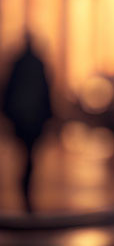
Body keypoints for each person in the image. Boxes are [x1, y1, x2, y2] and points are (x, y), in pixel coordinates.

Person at [1, 32, 53, 212]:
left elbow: (7, 90)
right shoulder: (38, 63)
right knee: (29, 154)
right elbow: (46, 91)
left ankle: (24, 185)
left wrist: (7, 113)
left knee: (24, 153)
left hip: (21, 116)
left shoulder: (18, 63)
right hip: (33, 116)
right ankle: (25, 185)